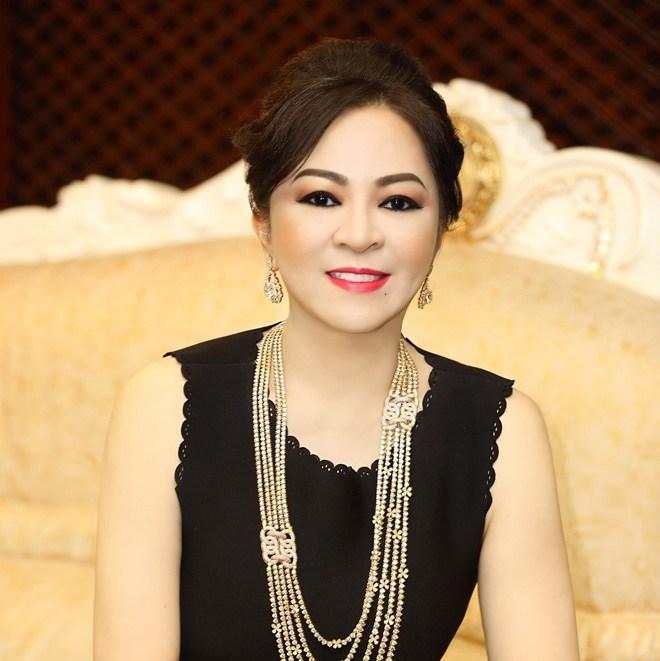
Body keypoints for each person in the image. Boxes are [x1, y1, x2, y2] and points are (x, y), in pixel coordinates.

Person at [93, 38, 579, 660]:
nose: (359, 235)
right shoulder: (166, 405)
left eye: (398, 202)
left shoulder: (503, 430)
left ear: (440, 229)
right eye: (321, 197)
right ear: (264, 223)